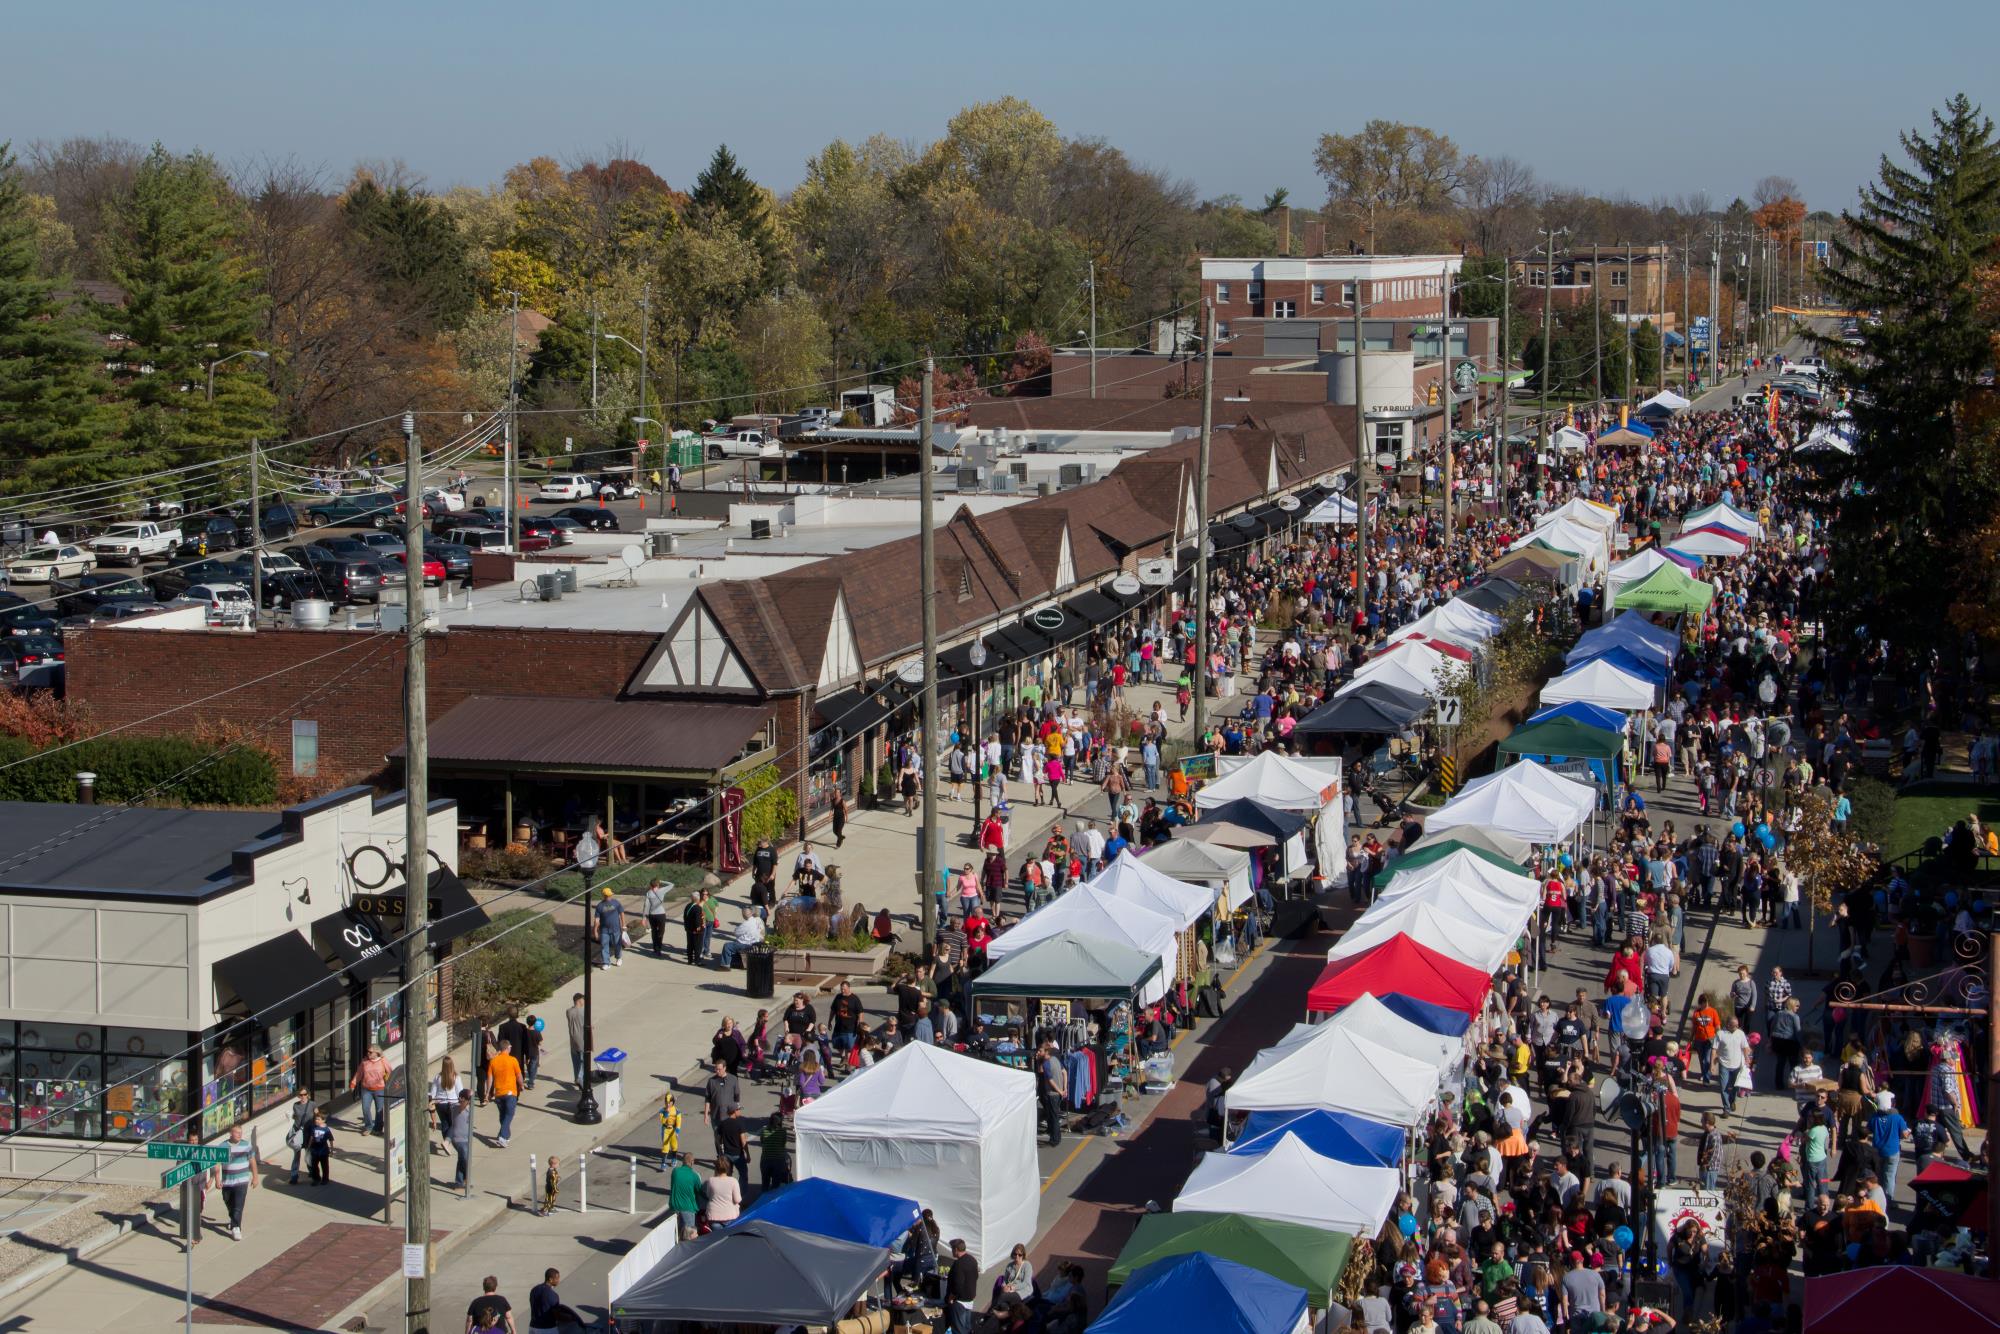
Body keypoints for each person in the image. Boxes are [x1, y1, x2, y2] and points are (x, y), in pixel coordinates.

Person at [210, 1124, 256, 1241]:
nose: (239, 1135)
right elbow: (217, 1164)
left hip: (242, 1181)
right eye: (237, 1132)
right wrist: (217, 1179)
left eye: (240, 1132)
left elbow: (252, 1161)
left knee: (238, 1206)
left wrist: (255, 1176)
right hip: (227, 1182)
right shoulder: (223, 1146)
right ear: (230, 1133)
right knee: (228, 1201)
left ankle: (236, 1228)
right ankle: (233, 1219)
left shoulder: (246, 1145)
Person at [484, 1038, 523, 1146]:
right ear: (507, 1048)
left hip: (499, 1094)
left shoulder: (493, 1061)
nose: (511, 1049)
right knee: (509, 1114)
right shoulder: (513, 1060)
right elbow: (518, 1075)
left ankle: (506, 1136)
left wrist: (488, 1093)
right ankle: (502, 1136)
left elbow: (489, 1078)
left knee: (503, 1115)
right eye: (510, 1047)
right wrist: (521, 1085)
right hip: (510, 1093)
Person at [350, 1045, 391, 1136]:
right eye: (368, 1051)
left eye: (370, 1052)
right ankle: (369, 1127)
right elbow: (359, 1073)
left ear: (377, 1053)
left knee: (379, 1110)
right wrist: (353, 1083)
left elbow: (390, 1072)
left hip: (379, 1089)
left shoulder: (383, 1061)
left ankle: (378, 1128)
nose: (368, 1053)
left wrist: (391, 1084)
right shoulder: (364, 1061)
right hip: (366, 1089)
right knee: (365, 1108)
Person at [946, 1238, 980, 1334]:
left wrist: (952, 1296)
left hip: (959, 1302)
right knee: (967, 1327)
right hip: (970, 1299)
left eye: (952, 1249)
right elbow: (976, 1277)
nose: (952, 1251)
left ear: (956, 1249)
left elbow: (958, 1284)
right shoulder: (972, 1260)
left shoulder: (958, 1264)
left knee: (959, 1330)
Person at [667, 1154, 704, 1241]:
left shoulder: (675, 1172)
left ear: (683, 1161)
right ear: (692, 1162)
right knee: (690, 1236)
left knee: (677, 1235)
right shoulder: (694, 1176)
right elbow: (699, 1191)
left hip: (674, 1207)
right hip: (688, 1208)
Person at [285, 1087, 317, 1184]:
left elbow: (317, 1116)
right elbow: (296, 1117)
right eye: (300, 1095)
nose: (302, 1097)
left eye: (304, 1094)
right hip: (298, 1132)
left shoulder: (312, 1104)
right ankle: (294, 1176)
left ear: (307, 1094)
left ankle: (312, 1172)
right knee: (296, 1154)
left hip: (308, 1133)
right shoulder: (296, 1105)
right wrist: (290, 1115)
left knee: (309, 1154)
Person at [448, 1089, 475, 1194]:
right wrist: (463, 1100)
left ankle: (460, 1182)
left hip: (466, 1138)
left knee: (462, 1159)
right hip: (458, 1139)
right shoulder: (457, 1108)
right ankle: (463, 1181)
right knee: (464, 1159)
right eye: (468, 1099)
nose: (470, 1101)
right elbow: (461, 1107)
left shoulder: (468, 1108)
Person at [591, 885, 625, 968]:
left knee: (617, 944)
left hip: (616, 928)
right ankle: (606, 963)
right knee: (604, 945)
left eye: (610, 895)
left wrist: (623, 925)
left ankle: (619, 958)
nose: (610, 896)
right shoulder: (600, 906)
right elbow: (597, 920)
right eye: (608, 895)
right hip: (604, 930)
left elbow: (621, 913)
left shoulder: (616, 903)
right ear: (604, 896)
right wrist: (595, 931)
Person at [527, 1269, 566, 1334]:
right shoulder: (552, 1294)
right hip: (547, 1329)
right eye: (557, 1278)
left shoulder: (534, 1290)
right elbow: (557, 1314)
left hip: (533, 1327)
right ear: (550, 1279)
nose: (558, 1280)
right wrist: (568, 1318)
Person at [705, 1156, 742, 1224]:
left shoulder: (711, 1180)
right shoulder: (733, 1181)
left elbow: (708, 1195)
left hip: (714, 1215)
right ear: (728, 1167)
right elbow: (737, 1200)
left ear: (716, 1168)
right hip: (730, 1215)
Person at [304, 1109, 334, 1186]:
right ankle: (316, 1179)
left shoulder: (326, 1130)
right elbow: (311, 1137)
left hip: (323, 1151)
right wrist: (309, 1147)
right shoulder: (314, 1128)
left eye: (318, 1119)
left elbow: (331, 1140)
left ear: (323, 1120)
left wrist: (331, 1150)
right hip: (314, 1150)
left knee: (324, 1166)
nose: (316, 1120)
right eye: (316, 1119)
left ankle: (325, 1179)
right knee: (314, 1166)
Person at [565, 992, 588, 1089]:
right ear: (579, 1001)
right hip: (582, 1039)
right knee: (583, 1061)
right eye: (583, 1000)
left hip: (573, 1040)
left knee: (576, 1062)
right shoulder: (583, 1012)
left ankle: (576, 1078)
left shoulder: (569, 1011)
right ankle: (579, 1078)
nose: (584, 1002)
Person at [643, 878, 670, 955]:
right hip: (661, 914)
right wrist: (662, 881)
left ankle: (655, 948)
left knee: (654, 931)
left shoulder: (648, 893)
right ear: (658, 884)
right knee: (661, 931)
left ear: (650, 885)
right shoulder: (662, 890)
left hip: (652, 915)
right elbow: (672, 884)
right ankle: (659, 948)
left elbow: (646, 906)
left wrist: (644, 917)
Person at [682, 891, 706, 965]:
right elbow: (697, 919)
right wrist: (698, 927)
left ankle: (690, 960)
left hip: (689, 929)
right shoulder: (697, 908)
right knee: (698, 945)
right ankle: (697, 961)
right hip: (696, 930)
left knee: (690, 945)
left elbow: (684, 917)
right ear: (697, 899)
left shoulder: (688, 905)